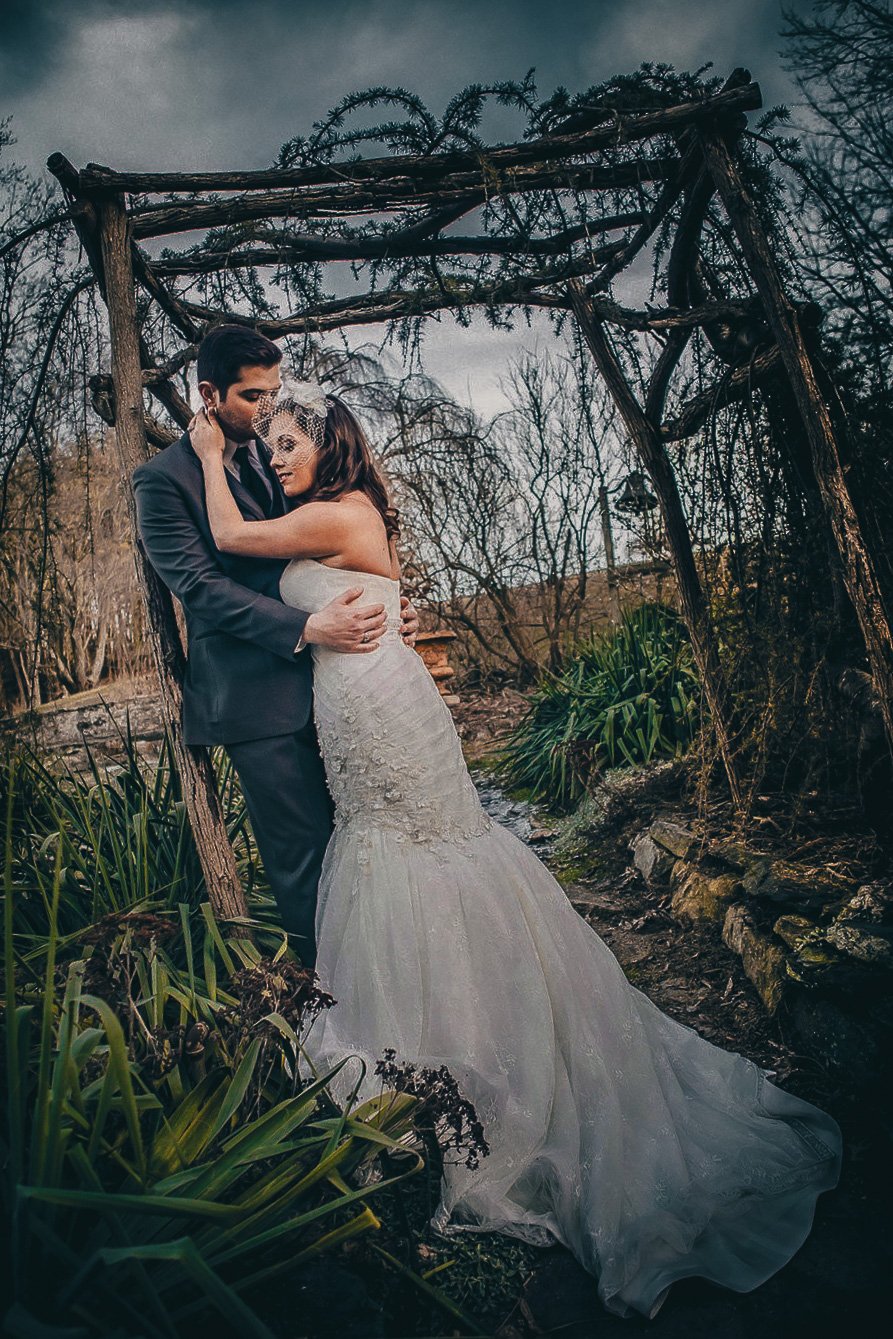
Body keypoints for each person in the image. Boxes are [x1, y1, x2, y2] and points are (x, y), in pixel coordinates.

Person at [187, 385, 843, 1322]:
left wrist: (213, 455)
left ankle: (478, 1053)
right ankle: (425, 1042)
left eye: (290, 441)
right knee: (385, 860)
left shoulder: (337, 510)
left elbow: (228, 540)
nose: (277, 454)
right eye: (270, 441)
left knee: (427, 855)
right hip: (356, 703)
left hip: (384, 711)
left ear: (330, 447)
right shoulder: (331, 513)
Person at [131, 326, 419, 968]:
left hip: (333, 688)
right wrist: (308, 629)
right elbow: (200, 588)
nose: (268, 410)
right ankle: (331, 1009)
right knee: (303, 863)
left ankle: (390, 984)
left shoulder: (274, 460)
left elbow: (324, 549)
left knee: (363, 846)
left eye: (274, 393)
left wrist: (378, 611)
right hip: (255, 702)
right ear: (208, 394)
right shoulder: (162, 481)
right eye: (253, 396)